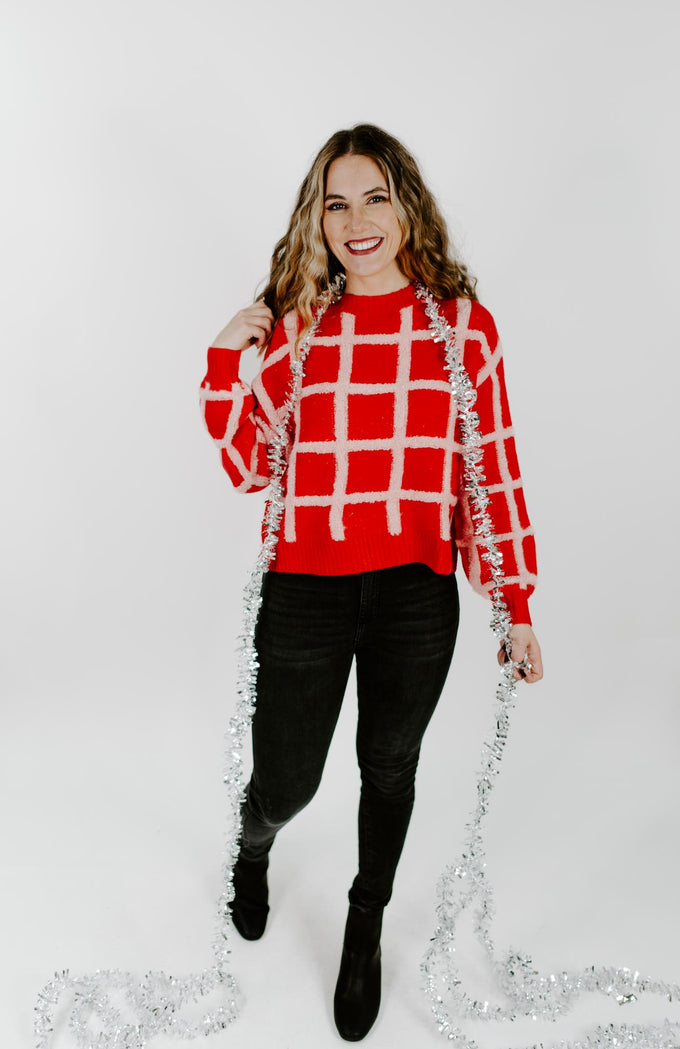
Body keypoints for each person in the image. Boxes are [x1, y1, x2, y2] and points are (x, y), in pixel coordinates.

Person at [199, 123, 543, 1041]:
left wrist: (515, 605)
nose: (358, 222)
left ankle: (365, 924)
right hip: (306, 591)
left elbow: (489, 471)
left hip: (414, 598)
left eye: (375, 199)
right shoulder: (302, 326)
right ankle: (254, 841)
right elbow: (249, 466)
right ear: (317, 221)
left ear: (407, 207)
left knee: (389, 767)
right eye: (337, 204)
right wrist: (228, 358)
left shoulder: (460, 328)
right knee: (287, 781)